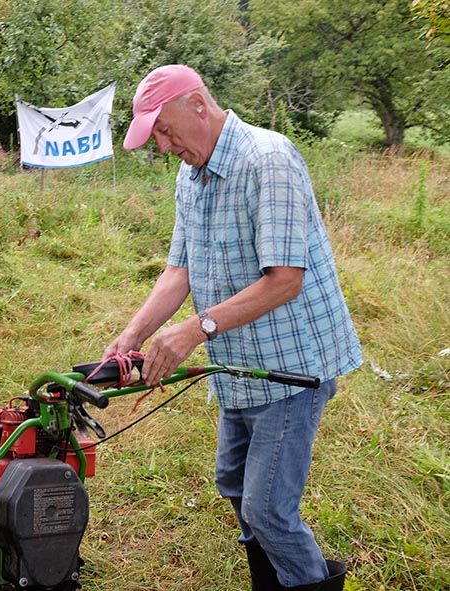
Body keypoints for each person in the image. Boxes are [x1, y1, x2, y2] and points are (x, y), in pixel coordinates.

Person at [104, 65, 361, 591]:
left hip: (292, 366)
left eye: (166, 130)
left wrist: (194, 329)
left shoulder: (267, 161)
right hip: (240, 363)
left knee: (267, 509)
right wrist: (130, 337)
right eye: (156, 137)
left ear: (199, 105)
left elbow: (285, 280)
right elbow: (180, 269)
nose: (164, 145)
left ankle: (306, 578)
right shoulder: (190, 176)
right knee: (233, 483)